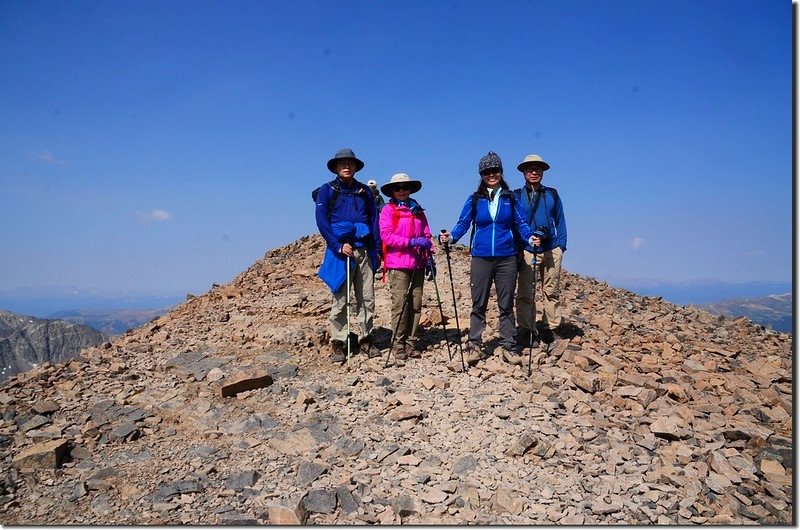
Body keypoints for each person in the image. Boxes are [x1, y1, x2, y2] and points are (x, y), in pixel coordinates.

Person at [439, 151, 537, 366]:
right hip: (481, 257)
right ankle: (475, 344)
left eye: (495, 170)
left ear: (501, 172)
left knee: (506, 304)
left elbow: (521, 224)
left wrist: (530, 239)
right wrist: (451, 237)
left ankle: (509, 346)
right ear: (481, 174)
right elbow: (463, 222)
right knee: (478, 303)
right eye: (487, 171)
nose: (491, 174)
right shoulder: (475, 199)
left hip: (507, 257)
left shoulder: (510, 198)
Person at [315, 148, 382, 363]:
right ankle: (339, 342)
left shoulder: (364, 192)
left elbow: (374, 221)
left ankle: (365, 339)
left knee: (367, 298)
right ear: (335, 167)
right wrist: (336, 245)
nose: (346, 167)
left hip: (363, 249)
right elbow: (322, 221)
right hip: (340, 251)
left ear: (355, 167)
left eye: (350, 163)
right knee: (341, 299)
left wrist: (376, 250)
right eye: (342, 164)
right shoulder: (327, 190)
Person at [513, 154, 567, 344]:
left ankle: (550, 327)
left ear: (543, 172)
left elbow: (560, 220)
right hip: (528, 249)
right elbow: (514, 223)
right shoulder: (517, 195)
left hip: (551, 247)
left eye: (538, 169)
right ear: (524, 173)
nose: (534, 172)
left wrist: (562, 245)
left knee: (551, 289)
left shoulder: (552, 193)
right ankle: (526, 328)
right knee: (526, 291)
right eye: (530, 169)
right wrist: (519, 246)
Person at [379, 173, 432, 360]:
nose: (402, 190)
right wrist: (410, 242)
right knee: (401, 304)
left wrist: (429, 258)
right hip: (398, 263)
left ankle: (411, 343)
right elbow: (386, 236)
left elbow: (426, 235)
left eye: (405, 187)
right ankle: (398, 345)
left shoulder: (418, 210)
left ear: (410, 189)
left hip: (417, 263)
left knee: (416, 304)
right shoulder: (388, 210)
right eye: (398, 187)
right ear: (392, 191)